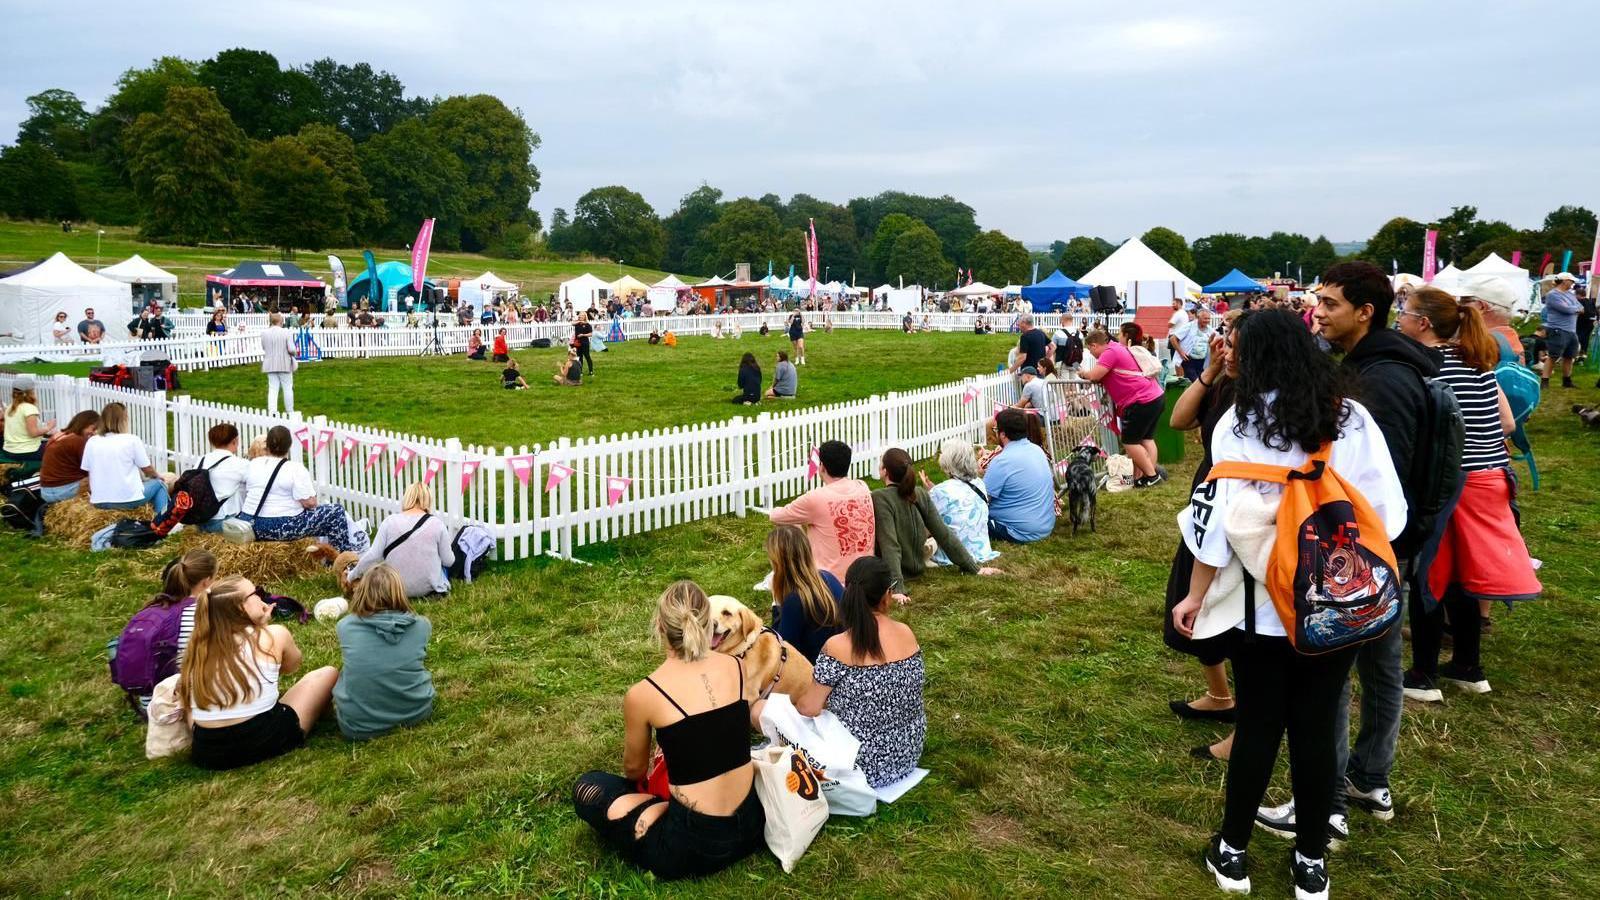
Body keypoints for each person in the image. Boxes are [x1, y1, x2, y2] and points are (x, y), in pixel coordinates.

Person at [1171, 309, 1406, 898]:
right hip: (1335, 600)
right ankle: (1309, 861)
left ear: (1256, 358)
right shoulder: (1350, 419)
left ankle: (1233, 852)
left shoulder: (1238, 424)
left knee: (1257, 726)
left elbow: (1215, 530)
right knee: (1316, 727)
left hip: (1262, 607)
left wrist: (1195, 596)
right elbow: (1390, 515)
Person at [1304, 260, 1436, 838]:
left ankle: (1329, 795)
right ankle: (1369, 777)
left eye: (1330, 303)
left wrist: (1359, 550)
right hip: (1390, 545)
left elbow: (1382, 478)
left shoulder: (1377, 381)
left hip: (1366, 549)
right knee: (1383, 668)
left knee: (1335, 669)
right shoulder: (1389, 366)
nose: (1318, 312)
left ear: (1365, 311)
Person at [1395, 287, 1540, 700]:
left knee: (1429, 574)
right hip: (1493, 478)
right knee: (1463, 577)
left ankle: (1422, 676)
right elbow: (1508, 424)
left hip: (1454, 482)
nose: (1399, 319)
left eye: (1403, 313)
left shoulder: (1428, 367)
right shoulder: (1475, 362)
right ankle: (1467, 667)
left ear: (1423, 323)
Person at [572, 581, 765, 880]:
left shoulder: (644, 693)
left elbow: (634, 773)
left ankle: (660, 811)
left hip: (693, 847)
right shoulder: (735, 666)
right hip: (752, 826)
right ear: (706, 623)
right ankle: (664, 808)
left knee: (589, 787)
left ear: (660, 625)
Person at [1164, 317, 1239, 762]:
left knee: (1233, 612)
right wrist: (1208, 371)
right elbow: (1178, 419)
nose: (1225, 350)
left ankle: (1244, 728)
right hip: (1207, 500)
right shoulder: (1221, 383)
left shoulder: (1264, 398)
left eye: (1233, 347)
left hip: (1237, 509)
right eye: (1223, 343)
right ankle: (1220, 695)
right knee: (1193, 600)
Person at [180, 575, 339, 770]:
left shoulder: (197, 648)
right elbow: (292, 666)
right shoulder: (274, 634)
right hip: (264, 740)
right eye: (256, 593)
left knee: (187, 692)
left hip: (208, 752)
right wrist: (262, 627)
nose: (261, 597)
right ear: (240, 607)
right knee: (327, 673)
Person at [794, 556, 926, 790]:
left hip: (857, 765)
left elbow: (810, 708)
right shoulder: (906, 633)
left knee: (765, 711)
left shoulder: (838, 645)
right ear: (886, 596)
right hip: (908, 754)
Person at [870, 447, 998, 602]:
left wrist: (896, 587)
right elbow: (943, 533)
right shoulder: (919, 493)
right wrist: (973, 567)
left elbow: (890, 544)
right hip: (917, 565)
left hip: (900, 572)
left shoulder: (880, 497)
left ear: (885, 471)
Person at [333, 563, 436, 740]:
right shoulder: (422, 625)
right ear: (400, 591)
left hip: (358, 727)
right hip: (416, 713)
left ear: (362, 591)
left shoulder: (345, 627)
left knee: (335, 674)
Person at [236, 425, 366, 552]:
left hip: (250, 524)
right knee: (336, 512)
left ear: (267, 445)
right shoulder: (295, 468)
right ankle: (340, 562)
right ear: (289, 446)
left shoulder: (251, 464)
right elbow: (310, 503)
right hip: (280, 527)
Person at [768, 439, 875, 582]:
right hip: (866, 574)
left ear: (822, 467)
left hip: (831, 580)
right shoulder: (862, 487)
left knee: (791, 524)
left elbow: (776, 517)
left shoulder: (815, 498)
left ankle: (791, 573)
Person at [124, 550, 217, 711]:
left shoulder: (154, 608)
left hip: (152, 705)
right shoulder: (205, 611)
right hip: (186, 706)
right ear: (206, 581)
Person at [1081, 329, 1166, 487]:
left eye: (1090, 350)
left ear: (1093, 346)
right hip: (1154, 395)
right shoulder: (1119, 348)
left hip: (1140, 400)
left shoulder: (1109, 352)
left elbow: (1094, 375)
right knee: (1146, 439)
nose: (1092, 355)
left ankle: (1152, 476)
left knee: (1129, 442)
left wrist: (1083, 373)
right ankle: (1148, 475)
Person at [347, 483, 455, 598]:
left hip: (394, 589)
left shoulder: (389, 522)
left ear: (406, 498)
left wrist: (352, 575)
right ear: (428, 500)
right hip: (428, 590)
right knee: (442, 565)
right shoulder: (437, 524)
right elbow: (449, 561)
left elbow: (373, 555)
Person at [766, 525, 845, 663]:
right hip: (847, 663)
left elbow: (781, 650)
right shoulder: (828, 578)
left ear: (778, 563)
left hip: (817, 673)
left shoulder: (795, 600)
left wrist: (776, 604)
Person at [80, 402, 169, 517]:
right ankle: (162, 520)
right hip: (127, 500)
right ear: (124, 419)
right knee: (160, 484)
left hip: (99, 501)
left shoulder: (92, 441)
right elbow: (147, 468)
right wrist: (157, 476)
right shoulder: (131, 440)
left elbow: (88, 471)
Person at [924, 438, 1001, 569]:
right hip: (981, 550)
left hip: (952, 555)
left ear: (947, 462)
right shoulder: (979, 483)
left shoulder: (941, 491)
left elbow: (927, 523)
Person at [982, 409, 1055, 543]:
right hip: (1045, 526)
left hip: (1017, 530)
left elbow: (981, 498)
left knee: (966, 516)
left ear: (1003, 434)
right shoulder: (1037, 450)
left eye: (995, 429)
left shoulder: (1002, 461)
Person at [192, 424, 250, 533]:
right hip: (225, 524)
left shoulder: (202, 460)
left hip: (200, 520)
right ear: (235, 441)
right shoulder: (240, 464)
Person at [1539, 273, 1582, 387]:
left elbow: (1580, 307)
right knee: (1553, 356)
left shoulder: (1570, 294)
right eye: (1571, 281)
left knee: (1569, 356)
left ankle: (1567, 380)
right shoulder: (1552, 295)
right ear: (1564, 281)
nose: (1573, 283)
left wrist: (1574, 309)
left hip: (1571, 330)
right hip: (1557, 329)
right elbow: (1566, 309)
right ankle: (1544, 381)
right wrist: (1575, 309)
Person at [3, 378, 56, 461]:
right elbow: (33, 433)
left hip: (9, 451)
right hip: (28, 452)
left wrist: (45, 433)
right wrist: (49, 427)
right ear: (30, 392)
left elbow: (20, 431)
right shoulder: (30, 408)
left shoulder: (10, 408)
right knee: (60, 446)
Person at [260, 313, 297, 415]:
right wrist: (294, 353)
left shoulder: (264, 333)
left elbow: (263, 347)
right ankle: (290, 411)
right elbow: (291, 349)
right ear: (280, 321)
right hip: (284, 362)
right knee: (287, 387)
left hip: (270, 362)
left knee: (273, 388)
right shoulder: (286, 332)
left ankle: (272, 411)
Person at [1170, 308, 1216, 383]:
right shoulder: (1189, 326)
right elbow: (1173, 339)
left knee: (1201, 382)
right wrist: (1181, 353)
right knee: (1197, 382)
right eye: (1205, 318)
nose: (1207, 320)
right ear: (1198, 317)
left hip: (1202, 362)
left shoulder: (1210, 330)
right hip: (1189, 360)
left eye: (1208, 319)